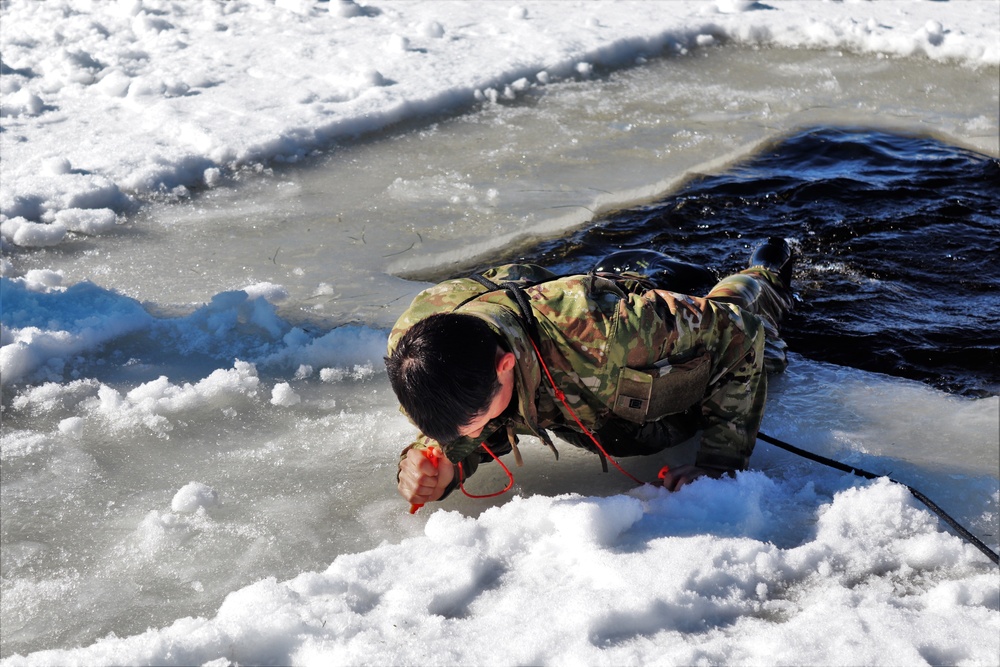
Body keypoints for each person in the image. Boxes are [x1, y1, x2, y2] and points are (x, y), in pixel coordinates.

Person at [385, 238, 795, 508]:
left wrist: (719, 464)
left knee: (760, 335)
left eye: (475, 423)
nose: (472, 435)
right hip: (553, 352)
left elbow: (741, 333)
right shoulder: (410, 352)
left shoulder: (610, 334)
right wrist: (440, 464)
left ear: (505, 365)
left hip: (651, 368)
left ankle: (765, 269)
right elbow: (460, 410)